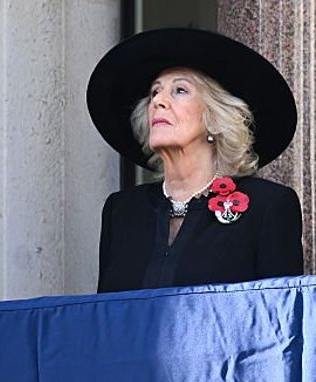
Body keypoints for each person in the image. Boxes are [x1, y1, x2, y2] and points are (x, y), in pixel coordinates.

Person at [87, 28, 303, 292]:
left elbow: (280, 319)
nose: (158, 102)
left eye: (179, 90)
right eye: (155, 92)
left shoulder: (267, 207)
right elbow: (103, 318)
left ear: (214, 118)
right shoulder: (121, 211)